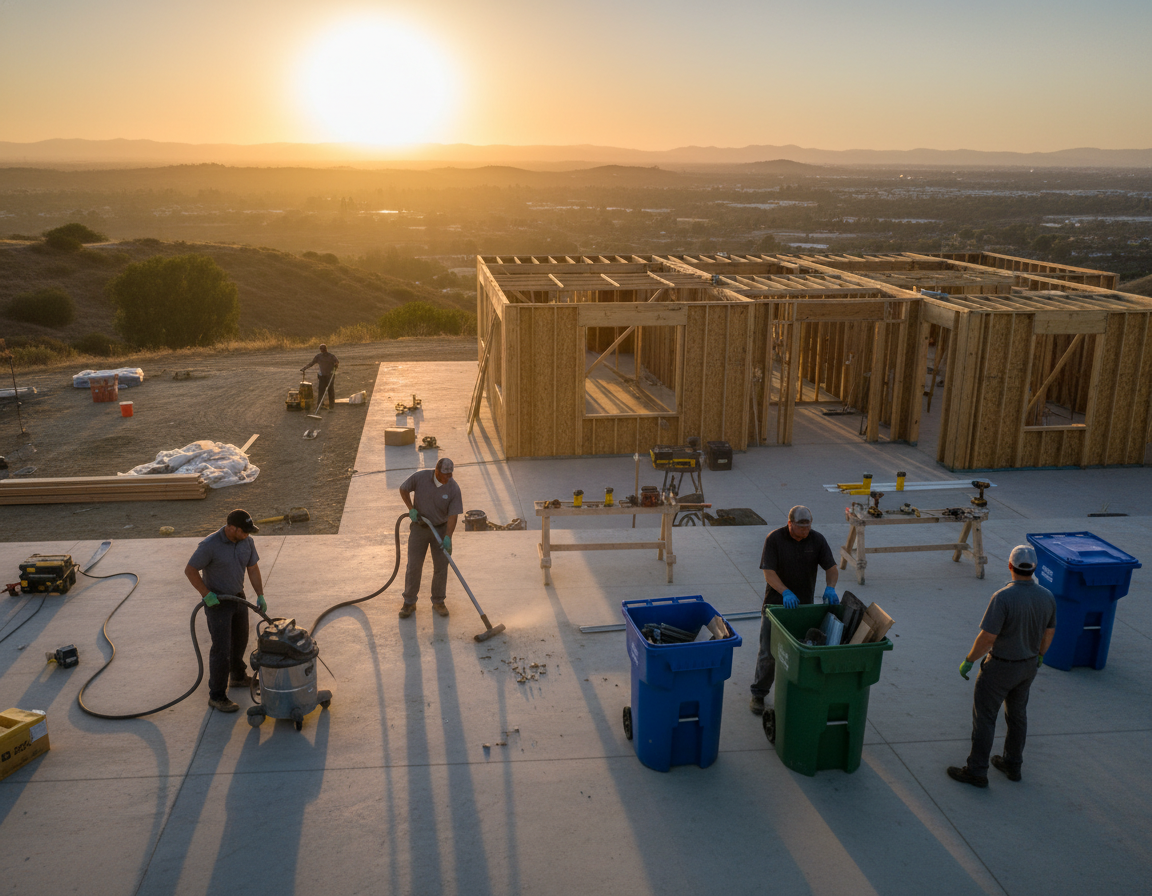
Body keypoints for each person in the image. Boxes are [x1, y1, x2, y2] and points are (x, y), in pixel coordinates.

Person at [948, 544, 1056, 787]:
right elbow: (1049, 632)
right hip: (1028, 667)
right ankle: (1013, 764)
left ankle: (976, 771)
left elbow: (987, 638)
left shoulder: (1003, 597)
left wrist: (969, 660)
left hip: (1000, 668)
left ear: (1010, 566)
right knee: (1017, 715)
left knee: (985, 718)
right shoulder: (1047, 596)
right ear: (1034, 568)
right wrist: (1039, 655)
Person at [750, 505, 838, 715]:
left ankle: (801, 691)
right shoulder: (774, 539)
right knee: (768, 653)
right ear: (790, 524)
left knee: (803, 650)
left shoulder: (817, 540)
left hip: (803, 607)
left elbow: (832, 568)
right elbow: (769, 572)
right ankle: (759, 694)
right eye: (800, 528)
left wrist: (830, 587)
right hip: (775, 606)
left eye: (807, 528)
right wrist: (785, 592)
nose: (804, 533)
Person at [184, 509, 267, 713]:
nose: (247, 534)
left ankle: (238, 676)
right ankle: (217, 696)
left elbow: (253, 568)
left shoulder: (247, 541)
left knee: (240, 640)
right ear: (231, 528)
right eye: (244, 531)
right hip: (217, 602)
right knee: (221, 649)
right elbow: (190, 570)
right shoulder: (210, 545)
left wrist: (260, 594)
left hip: (238, 597)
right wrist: (206, 594)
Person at [398, 457, 463, 618]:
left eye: (450, 475)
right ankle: (409, 602)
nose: (448, 478)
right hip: (420, 528)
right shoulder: (420, 478)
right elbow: (403, 489)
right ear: (437, 471)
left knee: (441, 567)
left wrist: (448, 537)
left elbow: (453, 516)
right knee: (414, 565)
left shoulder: (453, 488)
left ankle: (439, 601)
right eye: (445, 475)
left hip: (440, 530)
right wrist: (411, 509)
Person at [303, 343, 339, 409]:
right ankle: (320, 405)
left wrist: (336, 365)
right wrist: (305, 368)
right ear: (320, 350)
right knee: (321, 390)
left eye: (324, 348)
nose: (323, 350)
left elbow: (337, 362)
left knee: (330, 390)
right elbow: (312, 363)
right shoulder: (318, 356)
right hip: (322, 376)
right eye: (322, 349)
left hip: (330, 376)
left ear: (326, 349)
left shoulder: (331, 356)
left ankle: (331, 406)